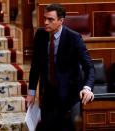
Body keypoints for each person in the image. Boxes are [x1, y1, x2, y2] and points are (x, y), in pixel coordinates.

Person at [26, 3, 95, 131]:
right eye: (45, 18)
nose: (46, 22)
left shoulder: (74, 38)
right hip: (48, 93)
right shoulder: (40, 35)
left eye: (50, 19)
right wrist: (31, 92)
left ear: (61, 21)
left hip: (69, 94)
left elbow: (89, 66)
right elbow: (35, 66)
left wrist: (87, 88)